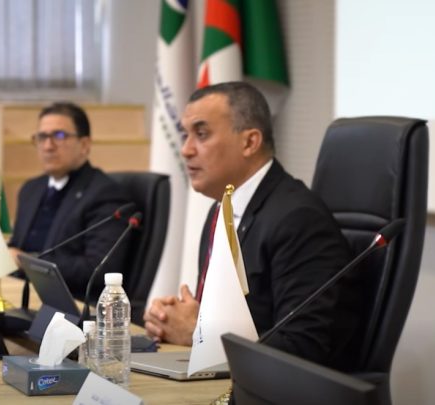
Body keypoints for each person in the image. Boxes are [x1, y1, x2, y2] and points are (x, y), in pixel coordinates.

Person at [143, 82, 360, 369]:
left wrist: (200, 333)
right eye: (185, 135)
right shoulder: (220, 209)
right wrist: (173, 319)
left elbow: (304, 346)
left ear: (249, 142)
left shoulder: (297, 219)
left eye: (201, 134)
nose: (185, 150)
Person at [7, 102, 131, 300]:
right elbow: (16, 247)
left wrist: (27, 261)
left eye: (59, 136)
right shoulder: (30, 189)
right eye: (42, 137)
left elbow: (98, 269)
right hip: (22, 293)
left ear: (85, 145)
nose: (48, 146)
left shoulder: (104, 194)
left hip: (69, 302)